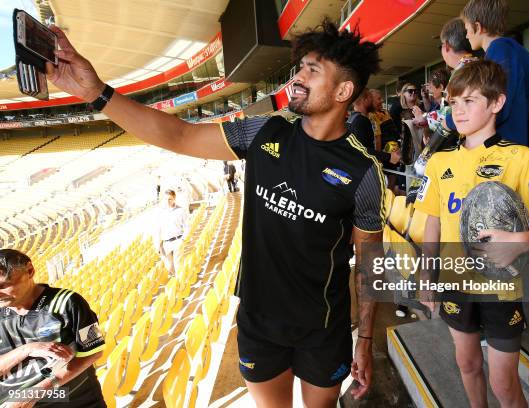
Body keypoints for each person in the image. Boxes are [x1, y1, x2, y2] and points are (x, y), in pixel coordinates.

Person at [46, 19, 384, 406]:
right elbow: (180, 135)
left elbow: (371, 264)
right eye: (300, 66)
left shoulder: (363, 171)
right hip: (259, 321)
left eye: (312, 70)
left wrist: (367, 340)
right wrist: (97, 94)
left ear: (343, 90)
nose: (298, 77)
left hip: (324, 328)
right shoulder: (265, 132)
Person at [415, 60, 529, 407]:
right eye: (454, 102)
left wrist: (520, 242)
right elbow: (432, 221)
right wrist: (427, 272)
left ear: (497, 103)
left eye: (469, 101)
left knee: (504, 384)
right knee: (467, 363)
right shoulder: (439, 162)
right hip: (454, 281)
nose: (458, 110)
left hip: (500, 288)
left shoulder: (522, 158)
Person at [0, 249, 106, 407]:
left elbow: (94, 351)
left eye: (3, 285)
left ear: (29, 271)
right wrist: (27, 349)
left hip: (78, 402)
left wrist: (37, 392)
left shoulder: (70, 302)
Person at [458, 0, 529, 159]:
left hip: (514, 152)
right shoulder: (513, 50)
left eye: (467, 29)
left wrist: (451, 121)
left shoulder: (500, 51)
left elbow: (497, 107)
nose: (466, 35)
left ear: (478, 27)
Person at [347, 88, 401, 166]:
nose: (372, 101)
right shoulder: (361, 121)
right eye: (370, 98)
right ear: (364, 100)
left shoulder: (352, 118)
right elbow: (362, 150)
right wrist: (388, 157)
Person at [157, 189, 189, 276]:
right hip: (166, 243)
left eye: (170, 199)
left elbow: (187, 226)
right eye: (166, 199)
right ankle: (178, 283)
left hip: (177, 241)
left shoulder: (181, 210)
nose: (168, 201)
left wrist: (183, 239)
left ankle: (180, 285)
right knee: (170, 268)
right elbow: (159, 229)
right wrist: (159, 245)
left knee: (178, 265)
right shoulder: (161, 212)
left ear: (174, 198)